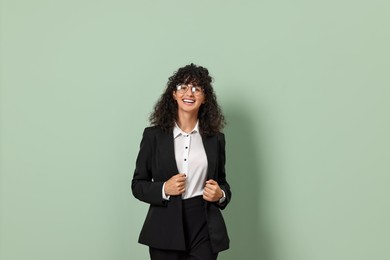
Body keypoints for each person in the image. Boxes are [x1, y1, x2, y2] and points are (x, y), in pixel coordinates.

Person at [132, 63, 231, 260]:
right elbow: (137, 185)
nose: (189, 93)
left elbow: (222, 182)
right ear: (174, 94)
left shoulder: (215, 139)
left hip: (204, 226)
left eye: (197, 89)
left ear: (205, 99)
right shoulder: (153, 136)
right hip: (164, 228)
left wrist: (221, 194)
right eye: (183, 87)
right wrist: (163, 189)